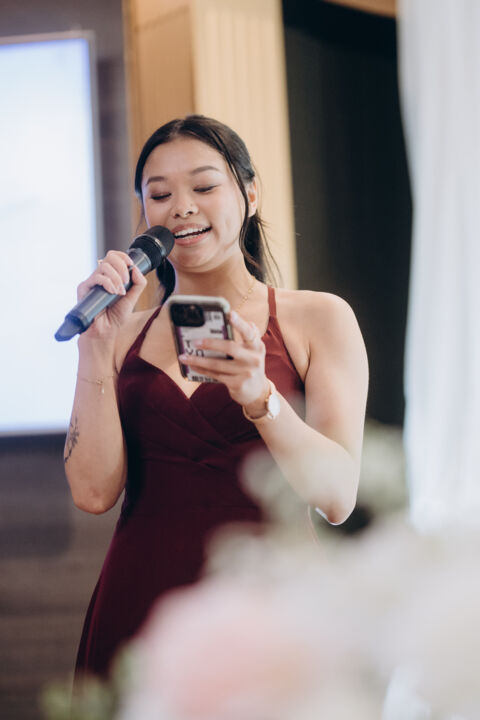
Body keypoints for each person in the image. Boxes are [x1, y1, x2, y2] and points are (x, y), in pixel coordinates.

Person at [65, 115, 368, 679]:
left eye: (204, 186)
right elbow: (92, 491)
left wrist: (260, 396)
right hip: (141, 597)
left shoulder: (318, 318)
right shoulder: (122, 333)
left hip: (270, 600)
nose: (182, 207)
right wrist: (95, 348)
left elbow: (336, 497)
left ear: (250, 195)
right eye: (160, 195)